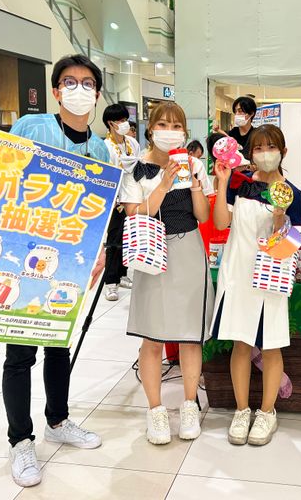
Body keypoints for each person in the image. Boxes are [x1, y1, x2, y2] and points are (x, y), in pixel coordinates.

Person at [0, 54, 109, 488]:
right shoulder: (31, 128)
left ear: (97, 94)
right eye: (70, 82)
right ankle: (20, 440)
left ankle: (58, 420)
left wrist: (98, 252)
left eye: (88, 83)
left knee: (58, 343)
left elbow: (98, 211)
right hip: (20, 258)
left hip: (66, 264)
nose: (79, 90)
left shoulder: (100, 149)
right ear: (56, 91)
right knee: (20, 354)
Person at [119, 101, 214, 445]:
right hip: (151, 253)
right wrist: (164, 183)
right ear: (150, 129)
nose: (169, 131)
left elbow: (203, 216)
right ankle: (155, 410)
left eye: (176, 126)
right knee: (152, 335)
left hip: (189, 250)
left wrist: (195, 184)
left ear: (184, 132)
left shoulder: (195, 164)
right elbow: (133, 213)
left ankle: (189, 405)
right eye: (163, 124)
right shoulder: (135, 168)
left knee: (189, 334)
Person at [211, 124, 301, 446]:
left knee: (271, 345)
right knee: (240, 343)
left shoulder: (292, 194)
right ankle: (241, 410)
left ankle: (267, 412)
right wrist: (222, 183)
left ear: (283, 152)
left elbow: (290, 246)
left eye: (271, 147)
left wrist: (280, 218)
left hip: (270, 277)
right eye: (259, 148)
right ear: (250, 153)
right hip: (237, 272)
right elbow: (221, 223)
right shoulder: (240, 183)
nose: (265, 154)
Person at [102, 103, 141, 301]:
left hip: (132, 196)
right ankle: (110, 282)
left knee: (128, 237)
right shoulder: (105, 146)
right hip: (115, 198)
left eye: (126, 120)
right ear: (110, 123)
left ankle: (123, 274)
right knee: (114, 239)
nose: (125, 124)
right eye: (120, 120)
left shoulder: (132, 143)